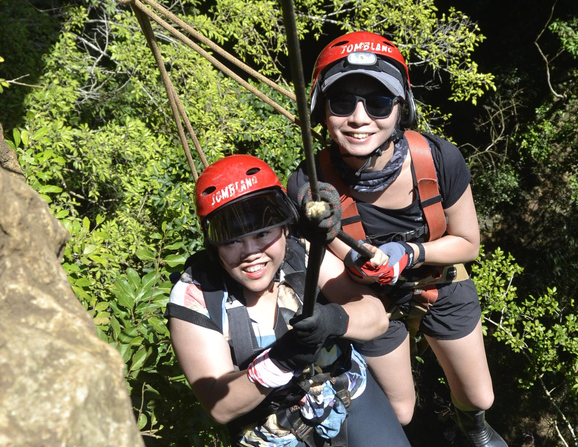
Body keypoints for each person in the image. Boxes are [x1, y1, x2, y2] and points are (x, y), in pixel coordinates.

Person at [286, 31, 509, 447]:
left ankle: (470, 427)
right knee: (401, 410)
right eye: (341, 102)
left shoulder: (439, 159)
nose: (359, 117)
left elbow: (468, 243)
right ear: (322, 110)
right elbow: (325, 268)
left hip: (437, 279)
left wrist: (410, 252)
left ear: (400, 108)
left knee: (480, 396)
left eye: (378, 102)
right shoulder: (309, 185)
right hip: (371, 298)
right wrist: (352, 265)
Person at [166, 154, 411, 447]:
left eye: (262, 233)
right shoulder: (197, 295)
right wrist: (281, 360)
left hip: (348, 392)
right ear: (213, 244)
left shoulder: (300, 252)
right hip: (272, 431)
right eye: (232, 240)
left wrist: (333, 320)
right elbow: (220, 405)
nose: (250, 252)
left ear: (285, 227)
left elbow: (376, 316)